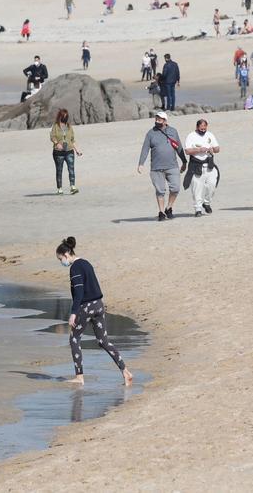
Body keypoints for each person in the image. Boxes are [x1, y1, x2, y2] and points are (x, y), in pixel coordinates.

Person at [57, 237, 134, 385]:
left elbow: (79, 292)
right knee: (103, 341)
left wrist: (73, 313)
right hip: (99, 305)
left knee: (74, 339)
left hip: (86, 307)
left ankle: (79, 377)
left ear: (66, 254)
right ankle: (125, 371)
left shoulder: (75, 268)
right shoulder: (86, 263)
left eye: (60, 259)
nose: (62, 262)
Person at [137, 111, 186, 221]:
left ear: (165, 120)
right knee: (160, 191)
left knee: (176, 188)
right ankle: (161, 212)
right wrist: (141, 163)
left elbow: (179, 147)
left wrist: (184, 161)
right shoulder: (150, 133)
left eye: (160, 118)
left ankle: (169, 208)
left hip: (172, 166)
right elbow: (145, 148)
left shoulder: (173, 131)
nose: (157, 119)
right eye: (156, 118)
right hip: (156, 167)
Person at [183, 119, 220, 217]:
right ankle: (198, 208)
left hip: (209, 164)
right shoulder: (191, 136)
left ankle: (206, 202)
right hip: (196, 165)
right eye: (201, 128)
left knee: (212, 185)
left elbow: (217, 149)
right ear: (197, 127)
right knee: (197, 188)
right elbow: (187, 151)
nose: (203, 130)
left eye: (205, 128)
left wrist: (213, 149)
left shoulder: (210, 135)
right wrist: (199, 149)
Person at [51, 108, 82, 195]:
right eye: (63, 116)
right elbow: (52, 137)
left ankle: (73, 187)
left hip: (69, 151)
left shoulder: (69, 126)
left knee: (71, 169)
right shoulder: (55, 126)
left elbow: (72, 140)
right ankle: (59, 188)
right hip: (58, 152)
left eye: (66, 116)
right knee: (59, 170)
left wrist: (77, 150)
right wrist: (57, 143)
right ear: (60, 116)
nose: (65, 117)